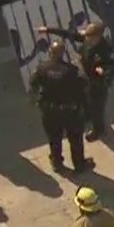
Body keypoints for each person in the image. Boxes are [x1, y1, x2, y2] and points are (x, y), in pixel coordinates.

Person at [38, 21, 114, 141]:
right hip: (86, 77)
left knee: (96, 108)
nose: (87, 39)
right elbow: (68, 34)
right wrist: (48, 29)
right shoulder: (87, 39)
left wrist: (104, 71)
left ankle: (98, 130)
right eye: (86, 35)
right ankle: (88, 116)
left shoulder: (105, 49)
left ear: (98, 36)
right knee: (85, 101)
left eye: (90, 37)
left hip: (98, 84)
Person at [28, 40, 92, 174]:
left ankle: (57, 163)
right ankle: (79, 164)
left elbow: (33, 85)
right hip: (70, 110)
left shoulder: (41, 68)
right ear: (63, 53)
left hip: (49, 111)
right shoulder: (72, 70)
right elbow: (84, 84)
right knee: (75, 139)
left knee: (54, 138)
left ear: (50, 52)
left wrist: (35, 102)